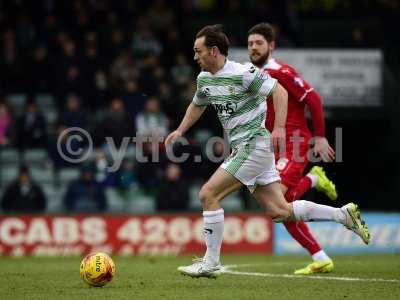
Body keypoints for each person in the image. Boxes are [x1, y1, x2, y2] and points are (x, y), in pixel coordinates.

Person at [165, 24, 370, 279]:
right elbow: (197, 105)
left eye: (198, 51)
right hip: (246, 148)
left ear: (214, 51)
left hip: (255, 145)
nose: (195, 57)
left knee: (208, 194)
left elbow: (279, 91)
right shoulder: (204, 79)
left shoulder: (243, 73)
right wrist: (181, 131)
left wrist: (280, 128)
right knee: (280, 211)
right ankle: (343, 214)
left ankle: (211, 262)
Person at [247, 23, 338, 275]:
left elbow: (314, 99)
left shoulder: (281, 72)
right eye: (250, 44)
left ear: (271, 45)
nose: (254, 47)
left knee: (280, 202)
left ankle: (312, 179)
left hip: (294, 142)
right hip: (273, 147)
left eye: (259, 43)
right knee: (280, 209)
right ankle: (320, 257)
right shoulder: (253, 76)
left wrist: (319, 137)